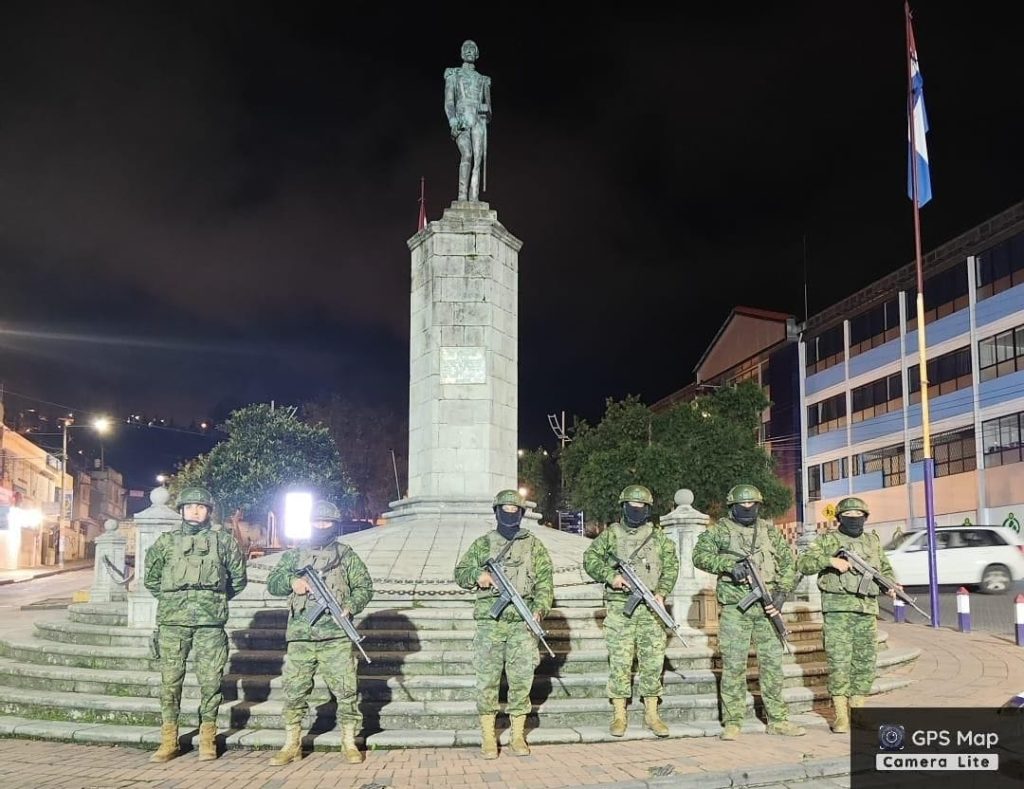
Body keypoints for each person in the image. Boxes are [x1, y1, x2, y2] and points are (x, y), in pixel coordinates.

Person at [692, 483, 805, 740]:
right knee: (733, 665)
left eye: (752, 504)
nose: (748, 509)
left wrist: (781, 593)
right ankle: (733, 721)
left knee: (773, 666)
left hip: (767, 608)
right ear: (732, 506)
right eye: (742, 505)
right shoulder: (721, 531)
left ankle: (778, 719)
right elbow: (699, 555)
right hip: (736, 608)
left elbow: (789, 563)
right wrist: (728, 565)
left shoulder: (769, 531)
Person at [266, 499, 374, 764]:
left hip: (336, 636)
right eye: (318, 521)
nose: (322, 526)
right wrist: (293, 582)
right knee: (295, 691)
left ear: (334, 525)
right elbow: (274, 583)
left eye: (327, 522)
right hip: (301, 636)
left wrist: (350, 606)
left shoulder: (346, 555)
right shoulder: (294, 555)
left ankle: (349, 741)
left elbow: (364, 587)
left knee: (346, 691)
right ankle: (292, 744)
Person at [145, 486, 248, 762]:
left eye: (201, 507)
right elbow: (151, 578)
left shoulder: (223, 542)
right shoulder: (165, 542)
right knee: (170, 682)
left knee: (211, 682)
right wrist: (176, 601)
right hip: (172, 624)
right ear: (181, 510)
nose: (195, 510)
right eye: (189, 506)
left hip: (210, 624)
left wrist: (210, 601)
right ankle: (169, 740)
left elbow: (238, 579)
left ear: (208, 512)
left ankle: (207, 738)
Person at [454, 489, 553, 759]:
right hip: (491, 625)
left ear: (522, 514)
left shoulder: (534, 545)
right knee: (487, 681)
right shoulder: (483, 544)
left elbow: (545, 583)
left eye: (515, 512)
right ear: (496, 512)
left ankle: (517, 734)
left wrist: (540, 609)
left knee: (521, 681)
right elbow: (460, 573)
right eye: (505, 511)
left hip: (522, 625)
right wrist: (479, 576)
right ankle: (488, 736)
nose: (510, 516)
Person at [795, 496, 900, 733]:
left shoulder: (872, 541)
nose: (854, 521)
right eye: (848, 518)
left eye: (858, 517)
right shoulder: (828, 540)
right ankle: (841, 715)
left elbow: (883, 568)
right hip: (838, 609)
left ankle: (858, 710)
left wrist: (891, 585)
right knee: (839, 661)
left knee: (864, 662)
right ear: (839, 518)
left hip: (866, 609)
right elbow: (803, 563)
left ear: (865, 517)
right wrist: (830, 560)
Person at [583, 484, 679, 737]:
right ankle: (619, 713)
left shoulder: (658, 537)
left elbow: (671, 566)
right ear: (623, 507)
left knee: (653, 661)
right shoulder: (611, 535)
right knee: (620, 662)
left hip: (651, 610)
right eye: (632, 507)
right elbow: (590, 559)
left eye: (642, 507)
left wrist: (662, 592)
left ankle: (652, 713)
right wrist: (610, 576)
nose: (637, 511)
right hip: (620, 610)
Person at [444, 39, 491, 202]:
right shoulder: (454, 74)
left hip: (478, 121)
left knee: (478, 159)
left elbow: (488, 108)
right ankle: (462, 196)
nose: (469, 50)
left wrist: (486, 110)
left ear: (477, 54)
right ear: (462, 52)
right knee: (467, 154)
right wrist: (453, 121)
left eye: (473, 48)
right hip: (462, 121)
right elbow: (449, 102)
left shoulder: (483, 79)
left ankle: (474, 197)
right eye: (466, 48)